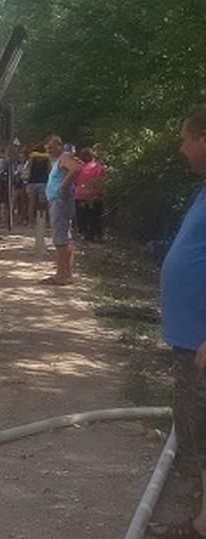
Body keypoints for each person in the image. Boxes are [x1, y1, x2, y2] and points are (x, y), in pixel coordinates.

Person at [151, 106, 206, 539]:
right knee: (194, 431)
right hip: (190, 340)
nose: (181, 146)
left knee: (202, 429)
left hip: (202, 342)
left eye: (186, 138)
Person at [41, 135, 80, 285]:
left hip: (60, 202)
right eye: (47, 148)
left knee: (60, 239)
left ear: (59, 146)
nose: (49, 150)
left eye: (52, 147)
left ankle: (61, 275)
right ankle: (66, 274)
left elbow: (76, 169)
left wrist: (63, 187)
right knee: (64, 237)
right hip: (58, 201)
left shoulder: (64, 157)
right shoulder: (57, 160)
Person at [73, 147, 106, 241]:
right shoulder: (98, 167)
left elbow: (75, 180)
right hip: (95, 196)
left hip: (80, 195)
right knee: (96, 216)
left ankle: (84, 233)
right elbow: (102, 181)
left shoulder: (78, 167)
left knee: (82, 215)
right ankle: (97, 234)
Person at [25, 144, 51, 225]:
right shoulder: (47, 158)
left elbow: (28, 168)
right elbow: (50, 169)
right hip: (43, 182)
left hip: (31, 182)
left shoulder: (32, 158)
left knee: (31, 203)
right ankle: (42, 220)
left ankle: (31, 222)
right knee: (42, 203)